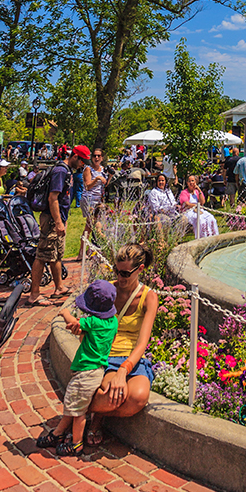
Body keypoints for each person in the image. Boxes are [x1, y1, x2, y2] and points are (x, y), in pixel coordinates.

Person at [87, 243, 159, 446]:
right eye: (117, 271)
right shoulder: (108, 290)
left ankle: (81, 408)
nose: (120, 278)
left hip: (133, 357)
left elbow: (142, 342)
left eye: (126, 273)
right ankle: (95, 419)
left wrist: (123, 371)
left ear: (140, 269)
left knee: (137, 398)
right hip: (108, 354)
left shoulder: (149, 297)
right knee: (113, 394)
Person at [37, 279, 119, 457]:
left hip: (85, 372)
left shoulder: (92, 323)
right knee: (72, 405)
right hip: (97, 369)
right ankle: (58, 433)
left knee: (79, 413)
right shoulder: (113, 323)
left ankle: (76, 443)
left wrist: (64, 313)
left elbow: (73, 323)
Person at [27, 145, 90, 306]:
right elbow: (53, 198)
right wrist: (58, 222)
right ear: (75, 156)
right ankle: (34, 294)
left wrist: (63, 219)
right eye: (82, 161)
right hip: (51, 219)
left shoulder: (67, 171)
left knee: (56, 254)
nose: (83, 165)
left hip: (58, 218)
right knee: (42, 255)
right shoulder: (60, 172)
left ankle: (59, 287)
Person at [178, 174, 219, 239]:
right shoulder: (184, 192)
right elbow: (186, 204)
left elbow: (202, 202)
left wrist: (199, 191)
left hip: (199, 209)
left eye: (192, 181)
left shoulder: (197, 192)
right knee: (200, 220)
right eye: (189, 181)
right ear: (187, 183)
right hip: (189, 211)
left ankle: (213, 236)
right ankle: (202, 238)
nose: (191, 183)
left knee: (211, 218)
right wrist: (196, 205)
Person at [81, 149, 109, 240]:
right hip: (89, 198)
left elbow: (105, 184)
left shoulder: (102, 169)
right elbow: (87, 186)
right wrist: (96, 179)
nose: (96, 158)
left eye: (98, 156)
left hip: (98, 198)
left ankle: (91, 248)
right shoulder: (88, 169)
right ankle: (83, 248)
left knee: (96, 223)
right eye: (94, 156)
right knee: (90, 224)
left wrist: (110, 177)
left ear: (102, 158)